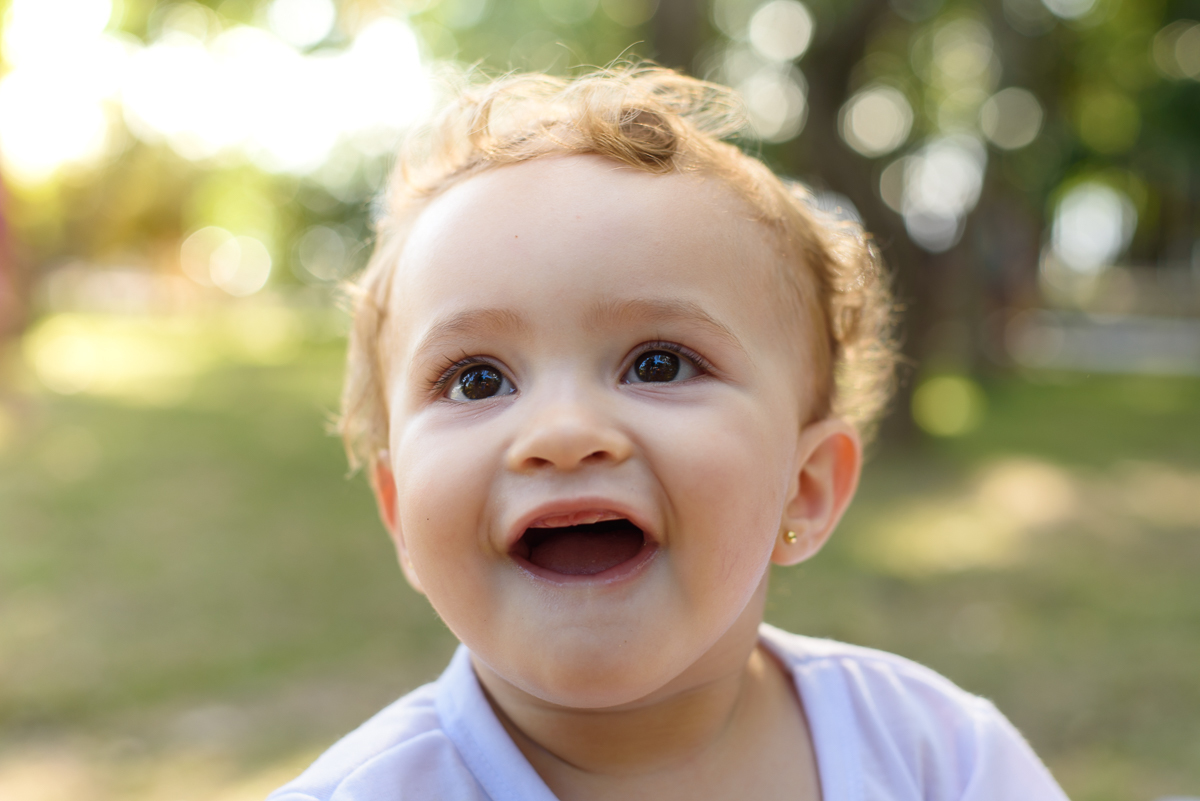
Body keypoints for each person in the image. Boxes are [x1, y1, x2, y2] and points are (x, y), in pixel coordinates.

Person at [267, 67, 1068, 801]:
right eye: (478, 379)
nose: (564, 432)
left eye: (658, 364)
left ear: (807, 485)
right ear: (401, 512)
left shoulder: (940, 759)